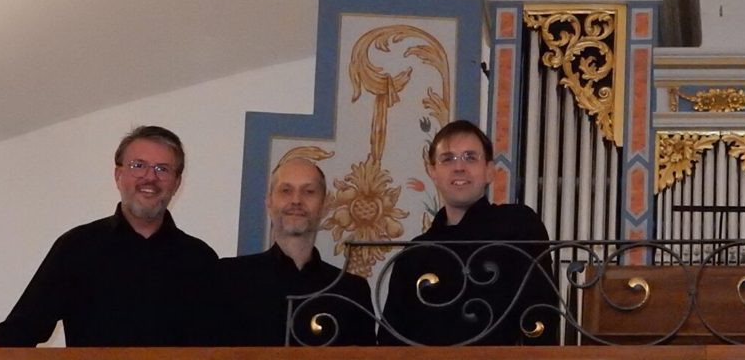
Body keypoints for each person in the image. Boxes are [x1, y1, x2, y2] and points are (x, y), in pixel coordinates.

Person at [0, 125, 218, 347]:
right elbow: (17, 335)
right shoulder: (76, 247)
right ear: (118, 175)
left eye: (163, 169)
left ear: (176, 183)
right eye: (138, 165)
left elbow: (218, 342)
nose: (150, 177)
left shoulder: (200, 258)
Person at [378, 119, 558, 345]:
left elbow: (541, 313)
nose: (459, 167)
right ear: (432, 172)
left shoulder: (518, 226)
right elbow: (391, 341)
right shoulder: (414, 254)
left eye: (470, 157)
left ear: (489, 171)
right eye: (448, 159)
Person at [215, 150, 375, 346]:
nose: (296, 200)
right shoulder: (228, 278)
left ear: (325, 205)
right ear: (269, 202)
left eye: (309, 192)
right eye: (286, 190)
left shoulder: (351, 291)